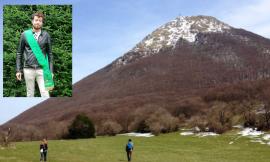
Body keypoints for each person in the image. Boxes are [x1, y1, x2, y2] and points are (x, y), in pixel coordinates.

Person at [16, 12, 54, 97]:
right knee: (30, 94)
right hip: (28, 69)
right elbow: (19, 53)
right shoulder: (25, 35)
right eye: (36, 20)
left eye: (40, 21)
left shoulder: (46, 35)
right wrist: (18, 70)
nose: (38, 22)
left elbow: (50, 54)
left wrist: (51, 70)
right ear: (32, 21)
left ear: (42, 23)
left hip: (42, 70)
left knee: (45, 94)